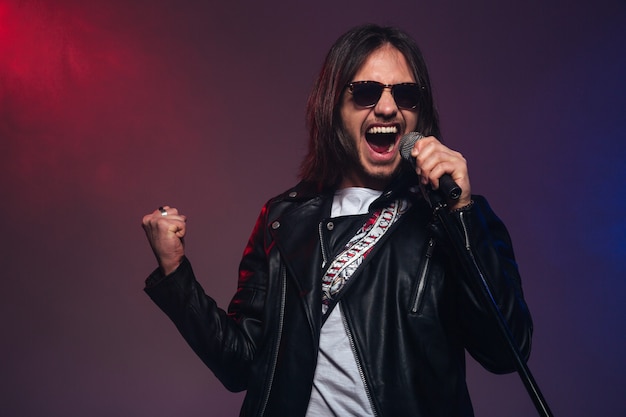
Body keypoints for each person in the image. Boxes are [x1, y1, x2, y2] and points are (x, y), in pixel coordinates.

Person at [141, 24, 533, 417]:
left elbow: (504, 352)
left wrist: (460, 214)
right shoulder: (283, 219)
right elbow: (241, 364)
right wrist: (175, 273)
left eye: (406, 94)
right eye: (366, 92)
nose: (386, 108)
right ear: (333, 106)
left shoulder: (455, 218)